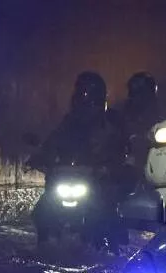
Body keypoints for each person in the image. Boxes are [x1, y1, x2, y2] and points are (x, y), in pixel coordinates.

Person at [30, 72, 129, 246]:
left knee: (107, 210)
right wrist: (40, 157)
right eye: (81, 96)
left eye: (90, 98)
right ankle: (44, 245)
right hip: (67, 178)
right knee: (42, 210)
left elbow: (121, 148)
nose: (85, 104)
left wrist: (110, 166)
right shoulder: (69, 123)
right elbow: (53, 141)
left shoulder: (111, 124)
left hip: (98, 181)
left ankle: (112, 248)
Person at [112, 72, 163, 174]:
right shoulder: (122, 114)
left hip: (156, 163)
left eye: (141, 92)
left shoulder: (160, 113)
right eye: (135, 92)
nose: (137, 97)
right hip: (128, 168)